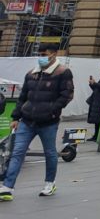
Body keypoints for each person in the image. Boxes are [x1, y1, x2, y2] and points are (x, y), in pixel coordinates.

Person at [0, 47, 74, 200]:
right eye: (39, 55)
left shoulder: (63, 72)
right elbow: (23, 97)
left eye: (44, 55)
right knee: (17, 152)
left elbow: (67, 95)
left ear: (54, 54)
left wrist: (52, 110)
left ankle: (49, 183)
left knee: (50, 153)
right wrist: (15, 117)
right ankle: (7, 187)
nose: (41, 58)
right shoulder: (31, 73)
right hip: (27, 121)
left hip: (48, 122)